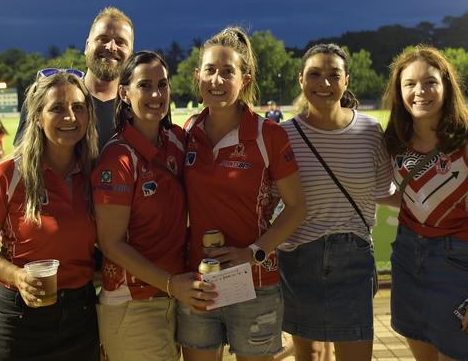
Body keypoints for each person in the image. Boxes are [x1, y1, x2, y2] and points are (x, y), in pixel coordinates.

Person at [178, 26, 307, 361]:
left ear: (245, 80)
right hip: (199, 280)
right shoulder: (188, 130)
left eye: (227, 72)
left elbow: (296, 207)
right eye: (210, 70)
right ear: (197, 75)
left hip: (255, 282)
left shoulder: (269, 134)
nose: (217, 81)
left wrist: (254, 252)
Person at [383, 45, 468, 360]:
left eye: (430, 82)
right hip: (407, 258)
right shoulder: (397, 138)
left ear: (446, 86)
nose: (420, 91)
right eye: (409, 84)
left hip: (461, 265)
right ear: (399, 92)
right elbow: (411, 196)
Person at [0, 70, 100, 361]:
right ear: (37, 117)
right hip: (18, 316)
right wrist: (17, 276)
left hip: (81, 315)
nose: (70, 117)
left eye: (78, 107)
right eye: (57, 108)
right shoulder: (8, 174)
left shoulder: (96, 173)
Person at [91, 51, 215, 361]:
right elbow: (111, 243)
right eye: (145, 85)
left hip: (176, 294)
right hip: (133, 302)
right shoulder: (117, 157)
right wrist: (172, 285)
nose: (156, 94)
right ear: (124, 93)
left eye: (163, 84)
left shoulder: (175, 142)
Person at [277, 44, 395, 361]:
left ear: (346, 81)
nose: (324, 84)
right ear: (301, 79)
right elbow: (270, 201)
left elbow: (386, 191)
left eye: (334, 75)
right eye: (315, 74)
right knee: (311, 355)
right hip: (299, 256)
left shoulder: (370, 131)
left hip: (353, 257)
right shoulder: (282, 135)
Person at [13, 6, 134, 149]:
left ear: (131, 53)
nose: (111, 47)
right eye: (103, 39)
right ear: (87, 46)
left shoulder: (139, 105)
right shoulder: (48, 96)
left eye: (120, 42)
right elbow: (23, 161)